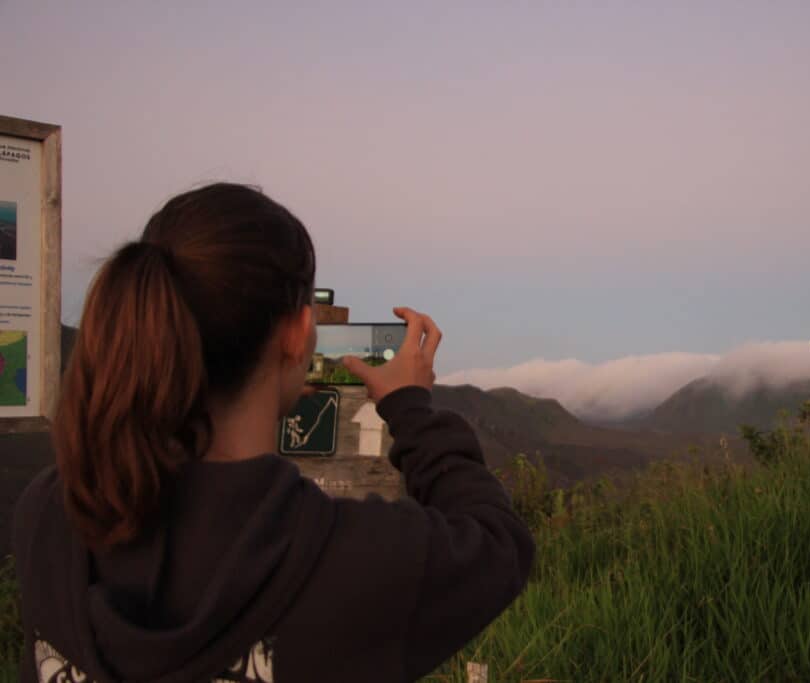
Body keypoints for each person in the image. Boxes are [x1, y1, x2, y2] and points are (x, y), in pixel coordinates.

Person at [11, 183, 535, 682]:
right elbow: (498, 543)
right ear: (297, 333)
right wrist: (408, 406)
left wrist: (265, 395)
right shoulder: (353, 564)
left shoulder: (52, 514)